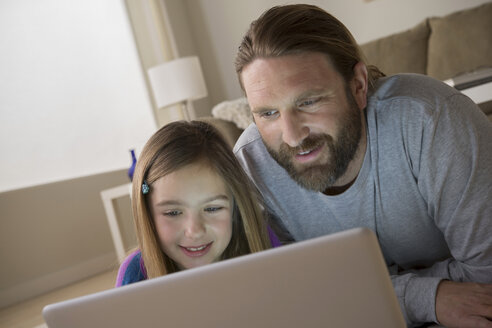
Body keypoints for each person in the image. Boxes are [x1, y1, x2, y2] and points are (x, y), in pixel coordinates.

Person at [233, 4, 492, 328]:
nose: (292, 136)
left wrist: (354, 294)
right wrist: (425, 296)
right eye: (268, 114)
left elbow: (485, 287)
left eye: (308, 102)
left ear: (358, 85)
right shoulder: (251, 166)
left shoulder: (432, 121)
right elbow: (294, 299)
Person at [115, 120, 279, 287]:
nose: (194, 231)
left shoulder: (261, 241)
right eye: (173, 213)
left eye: (212, 208)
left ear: (235, 206)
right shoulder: (135, 274)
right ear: (147, 212)